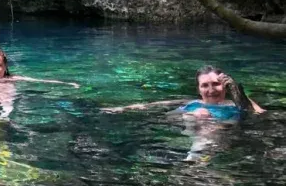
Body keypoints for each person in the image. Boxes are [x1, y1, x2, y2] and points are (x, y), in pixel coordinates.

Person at [103, 66, 265, 120]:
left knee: (202, 114)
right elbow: (154, 105)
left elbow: (260, 115)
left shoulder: (237, 103)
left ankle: (195, 159)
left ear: (225, 86)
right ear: (198, 89)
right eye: (205, 85)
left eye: (216, 84)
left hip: (224, 132)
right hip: (192, 125)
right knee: (199, 112)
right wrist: (123, 108)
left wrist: (237, 92)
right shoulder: (193, 103)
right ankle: (197, 158)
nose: (210, 90)